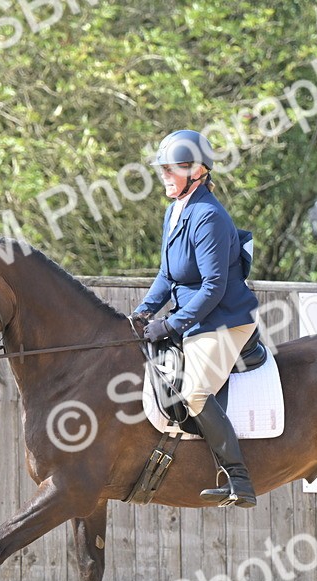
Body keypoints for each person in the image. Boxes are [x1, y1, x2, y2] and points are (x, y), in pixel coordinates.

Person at [133, 129, 259, 508]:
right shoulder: (175, 212)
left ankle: (239, 479)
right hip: (197, 316)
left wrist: (171, 324)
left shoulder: (208, 216)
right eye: (163, 170)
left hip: (224, 320)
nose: (165, 177)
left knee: (195, 391)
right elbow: (167, 275)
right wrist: (144, 311)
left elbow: (214, 286)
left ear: (198, 171)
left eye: (172, 170)